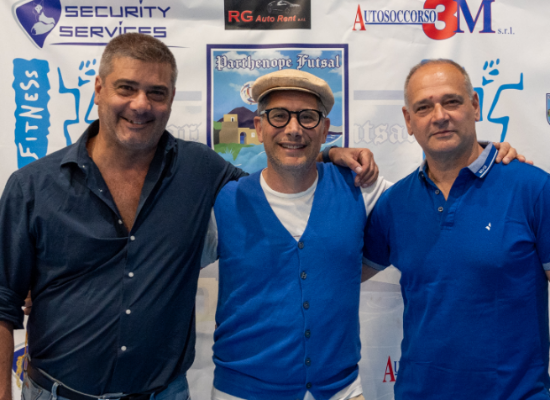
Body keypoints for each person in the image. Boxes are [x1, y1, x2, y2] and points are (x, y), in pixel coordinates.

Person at [0, 33, 379, 400]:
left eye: (156, 93)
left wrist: (327, 155)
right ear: (98, 89)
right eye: (126, 88)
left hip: (164, 394)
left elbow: (277, 182)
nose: (140, 104)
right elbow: (3, 300)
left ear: (171, 99)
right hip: (56, 392)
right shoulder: (31, 186)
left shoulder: (200, 169)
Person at [200, 69, 521, 400]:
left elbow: (439, 196)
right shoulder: (224, 202)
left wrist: (486, 161)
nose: (293, 129)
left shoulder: (360, 188)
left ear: (325, 129)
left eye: (307, 117)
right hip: (241, 392)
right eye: (279, 116)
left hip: (341, 390)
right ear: (259, 126)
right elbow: (172, 270)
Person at [363, 59, 550, 399]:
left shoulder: (533, 189)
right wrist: (328, 157)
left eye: (451, 101)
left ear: (475, 105)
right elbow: (334, 273)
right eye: (423, 107)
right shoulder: (394, 204)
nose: (439, 116)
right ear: (408, 120)